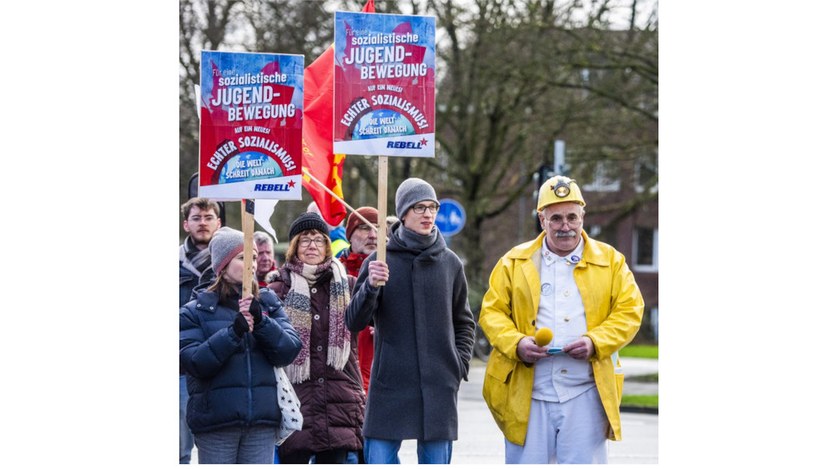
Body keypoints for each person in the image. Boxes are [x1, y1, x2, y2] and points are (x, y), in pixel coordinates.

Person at [478, 175, 644, 464]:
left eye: (571, 217)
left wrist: (595, 342)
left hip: (585, 393)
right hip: (528, 393)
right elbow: (492, 313)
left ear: (583, 216)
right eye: (555, 219)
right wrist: (517, 343)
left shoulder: (611, 260)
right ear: (541, 220)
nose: (565, 226)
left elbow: (629, 311)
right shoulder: (513, 261)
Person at [346, 178, 476, 464]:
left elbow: (464, 322)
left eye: (432, 207)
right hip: (389, 384)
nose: (428, 214)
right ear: (403, 213)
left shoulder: (450, 263)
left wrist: (458, 365)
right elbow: (354, 321)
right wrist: (371, 287)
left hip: (438, 386)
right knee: (378, 459)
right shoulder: (379, 261)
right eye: (420, 207)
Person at [180, 227, 302, 464]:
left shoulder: (267, 302)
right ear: (222, 265)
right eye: (242, 257)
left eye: (254, 257)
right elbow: (195, 363)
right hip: (217, 424)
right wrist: (233, 332)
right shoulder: (195, 310)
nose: (252, 264)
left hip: (261, 423)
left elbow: (289, 350)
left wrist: (262, 322)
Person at [266, 212, 366, 464]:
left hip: (339, 401)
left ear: (327, 246)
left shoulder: (350, 285)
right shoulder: (277, 290)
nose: (312, 245)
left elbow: (372, 317)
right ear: (294, 247)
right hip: (295, 400)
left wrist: (374, 288)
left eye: (319, 239)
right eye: (305, 239)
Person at [178, 197, 222, 464]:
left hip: (221, 363)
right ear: (186, 224)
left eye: (208, 218)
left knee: (216, 446)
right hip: (181, 367)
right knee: (180, 445)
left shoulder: (233, 264)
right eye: (196, 218)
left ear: (219, 222)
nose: (203, 223)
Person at [337, 206, 379, 396]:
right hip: (343, 378)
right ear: (350, 235)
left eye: (377, 228)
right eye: (364, 227)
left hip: (382, 378)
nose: (372, 235)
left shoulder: (397, 270)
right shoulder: (334, 274)